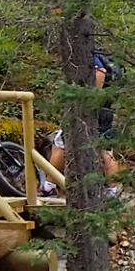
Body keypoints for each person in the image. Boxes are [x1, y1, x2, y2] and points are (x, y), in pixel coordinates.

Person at [47, 52, 119, 193]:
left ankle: (49, 185)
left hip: (90, 110)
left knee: (60, 144)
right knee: (106, 150)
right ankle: (112, 191)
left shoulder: (89, 55)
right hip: (105, 110)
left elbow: (100, 72)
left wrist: (90, 100)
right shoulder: (102, 56)